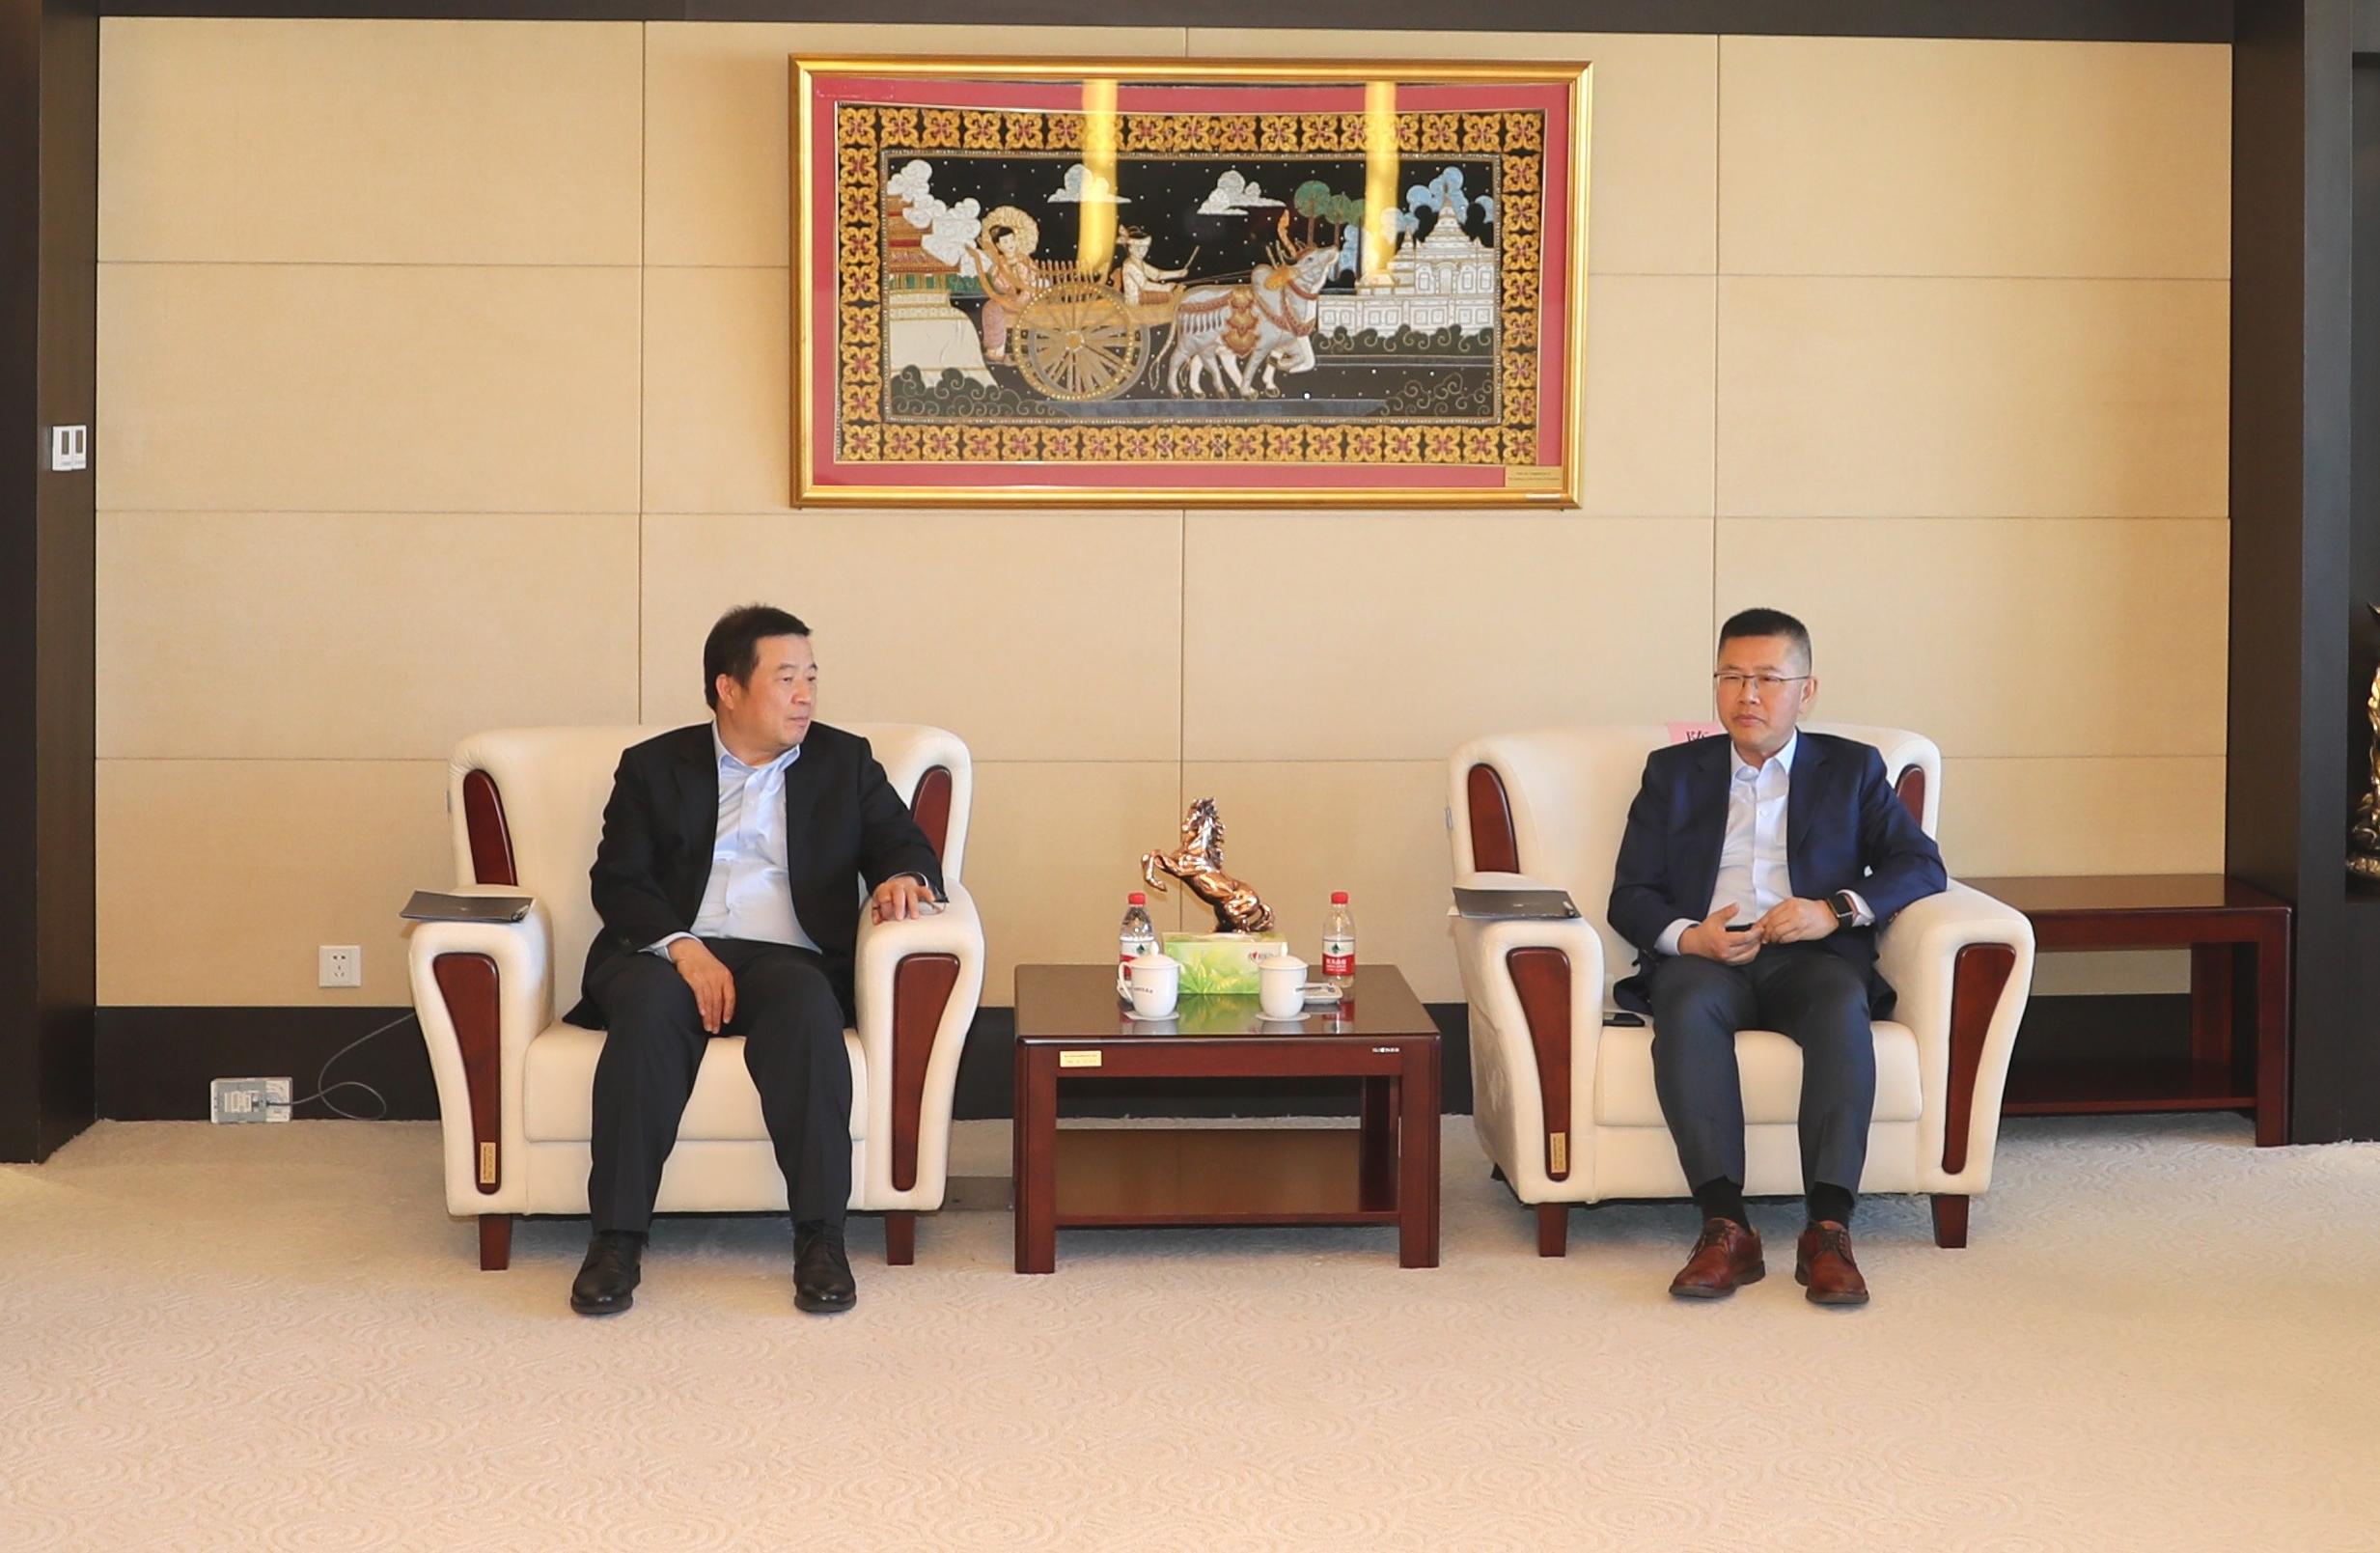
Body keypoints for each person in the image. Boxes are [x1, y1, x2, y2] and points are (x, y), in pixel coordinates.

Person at [564, 604, 943, 1317]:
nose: (805, 695)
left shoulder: (843, 761)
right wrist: (684, 948)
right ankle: (615, 1240)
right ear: (729, 689)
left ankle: (822, 1240)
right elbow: (619, 880)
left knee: (808, 1011)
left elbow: (903, 841)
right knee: (645, 1013)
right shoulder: (653, 767)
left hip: (786, 958)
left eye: (812, 678)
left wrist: (902, 876)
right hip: (669, 951)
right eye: (786, 678)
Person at [1607, 608, 1946, 1307]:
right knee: (1684, 1002)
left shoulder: (1852, 769)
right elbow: (1630, 893)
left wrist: (1835, 910)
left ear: (1806, 690)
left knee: (1840, 1004)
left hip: (1809, 956)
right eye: (1732, 677)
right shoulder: (1673, 773)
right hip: (1710, 956)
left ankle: (1828, 1229)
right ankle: (1726, 1227)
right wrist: (1688, 936)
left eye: (1767, 678)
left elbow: (1920, 864)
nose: (1748, 695)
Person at [974, 221, 1041, 364]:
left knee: (994, 306)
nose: (1010, 244)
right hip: (1009, 297)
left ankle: (996, 353)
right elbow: (996, 282)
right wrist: (1005, 285)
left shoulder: (1024, 259)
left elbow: (1034, 276)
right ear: (998, 246)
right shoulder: (999, 263)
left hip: (1025, 296)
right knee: (990, 306)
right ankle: (995, 350)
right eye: (1005, 242)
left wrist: (1022, 276)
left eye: (1012, 239)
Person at [1115, 228, 1186, 305]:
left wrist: (1178, 273)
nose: (1141, 252)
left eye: (1144, 249)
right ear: (1130, 249)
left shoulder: (1140, 263)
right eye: (1138, 249)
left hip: (1142, 299)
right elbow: (1144, 285)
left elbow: (1157, 275)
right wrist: (1165, 287)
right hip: (1134, 303)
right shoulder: (1129, 265)